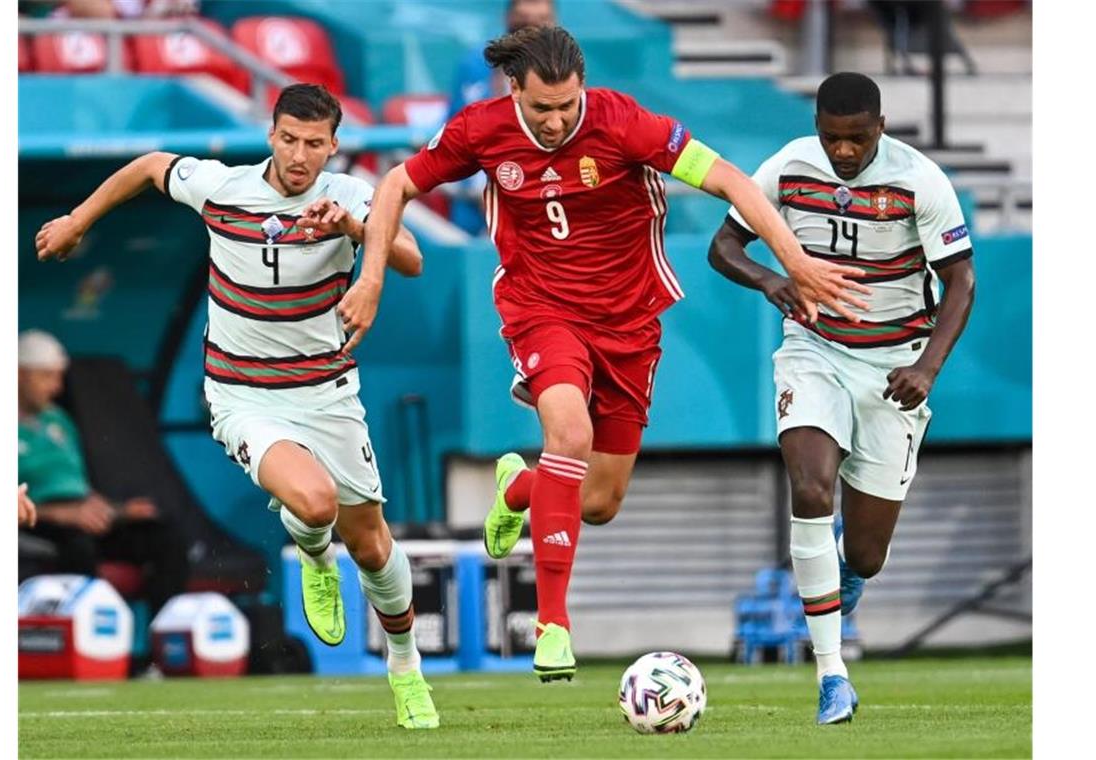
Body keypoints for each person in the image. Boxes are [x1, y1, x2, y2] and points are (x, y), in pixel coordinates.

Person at [338, 26, 871, 682]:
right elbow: (395, 185)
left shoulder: (623, 123)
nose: (558, 119)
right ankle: (554, 624)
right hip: (541, 310)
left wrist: (796, 260)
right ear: (515, 92)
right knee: (569, 431)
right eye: (542, 109)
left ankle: (521, 488)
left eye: (567, 104)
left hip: (629, 321)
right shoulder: (481, 129)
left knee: (600, 502)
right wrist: (370, 277)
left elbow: (729, 178)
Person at [34, 84, 439, 729]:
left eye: (314, 143)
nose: (300, 154)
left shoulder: (354, 196)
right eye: (289, 139)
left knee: (371, 542)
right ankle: (312, 553)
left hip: (328, 393)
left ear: (333, 145)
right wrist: (79, 220)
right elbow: (147, 167)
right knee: (314, 505)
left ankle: (405, 665)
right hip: (242, 394)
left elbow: (413, 259)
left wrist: (354, 229)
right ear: (271, 135)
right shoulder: (222, 186)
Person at [708, 72, 976, 724]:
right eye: (833, 138)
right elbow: (723, 247)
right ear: (819, 128)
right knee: (808, 489)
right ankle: (832, 676)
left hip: (894, 368)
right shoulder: (787, 167)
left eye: (857, 139)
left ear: (879, 127)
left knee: (865, 555)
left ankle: (843, 569)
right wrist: (770, 279)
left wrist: (927, 368)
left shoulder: (921, 180)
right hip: (814, 349)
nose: (845, 152)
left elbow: (961, 280)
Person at [17, 329, 189, 617]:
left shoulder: (58, 420)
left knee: (165, 537)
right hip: (37, 520)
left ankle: (161, 648)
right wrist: (61, 513)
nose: (57, 387)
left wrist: (117, 510)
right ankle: (90, 639)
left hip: (84, 516)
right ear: (20, 375)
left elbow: (76, 483)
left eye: (59, 376)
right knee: (78, 546)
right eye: (47, 376)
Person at [447, 0, 558, 234]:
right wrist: (482, 192)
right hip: (479, 199)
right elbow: (458, 136)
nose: (531, 28)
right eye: (523, 19)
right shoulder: (478, 65)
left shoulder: (563, 70)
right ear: (509, 18)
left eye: (540, 20)